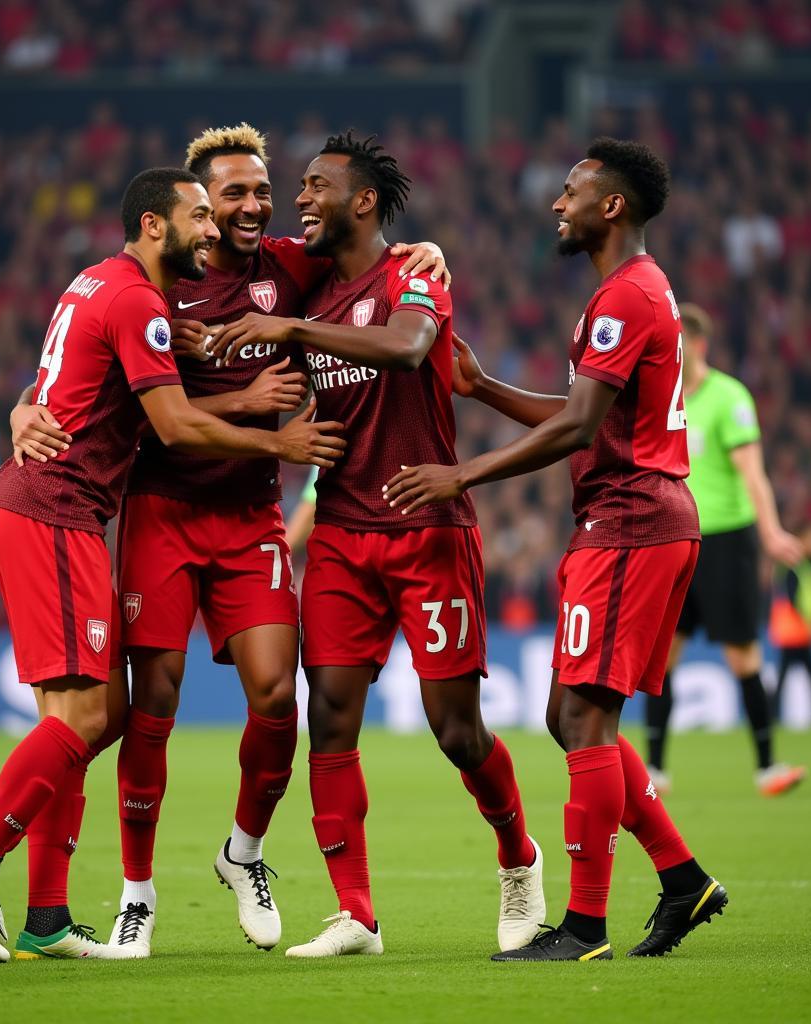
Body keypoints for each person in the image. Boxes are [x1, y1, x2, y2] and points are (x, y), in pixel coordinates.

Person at [14, 123, 450, 958]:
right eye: (233, 195)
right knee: (156, 702)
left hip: (250, 515)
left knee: (277, 696)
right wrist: (22, 405)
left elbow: (374, 252)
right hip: (160, 510)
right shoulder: (153, 283)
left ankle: (242, 850)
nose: (254, 207)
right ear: (196, 209)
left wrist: (425, 250)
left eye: (262, 190)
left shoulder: (290, 264)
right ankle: (136, 895)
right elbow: (80, 380)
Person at [0, 166, 345, 964]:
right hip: (57, 509)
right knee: (86, 718)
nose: (212, 232)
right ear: (155, 224)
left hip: (52, 508)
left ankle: (44, 914)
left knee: (91, 717)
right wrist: (276, 437)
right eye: (198, 219)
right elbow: (174, 426)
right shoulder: (139, 300)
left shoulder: (94, 282)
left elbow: (68, 384)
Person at [383, 138, 727, 961]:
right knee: (568, 718)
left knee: (583, 717)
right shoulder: (632, 291)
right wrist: (484, 389)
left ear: (611, 206)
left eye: (571, 192)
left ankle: (584, 927)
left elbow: (577, 427)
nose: (555, 204)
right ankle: (683, 881)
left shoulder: (625, 298)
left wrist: (459, 474)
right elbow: (590, 415)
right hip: (631, 518)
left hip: (632, 521)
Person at [209, 131, 544, 960]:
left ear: (363, 201)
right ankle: (356, 914)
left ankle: (519, 860)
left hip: (429, 535)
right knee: (328, 717)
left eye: (316, 186)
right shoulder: (313, 284)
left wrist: (290, 326)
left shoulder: (414, 275)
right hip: (343, 536)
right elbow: (197, 280)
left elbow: (407, 347)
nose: (300, 199)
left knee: (457, 731)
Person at [643, 303, 806, 797]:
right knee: (661, 657)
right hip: (675, 537)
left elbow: (752, 473)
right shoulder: (661, 398)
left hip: (728, 541)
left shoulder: (728, 397)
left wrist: (772, 532)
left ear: (699, 345)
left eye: (680, 344)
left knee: (743, 655)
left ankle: (767, 767)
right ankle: (655, 771)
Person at [770, 523, 811, 724]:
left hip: (797, 633)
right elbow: (795, 598)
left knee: (793, 676)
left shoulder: (801, 566)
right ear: (802, 539)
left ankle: (775, 714)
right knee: (805, 676)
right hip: (795, 632)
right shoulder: (794, 566)